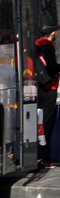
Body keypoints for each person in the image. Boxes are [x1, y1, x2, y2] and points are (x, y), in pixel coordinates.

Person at [36, 25, 60, 167]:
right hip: (49, 89)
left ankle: (40, 156)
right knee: (47, 124)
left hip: (38, 87)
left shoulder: (36, 45)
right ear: (52, 33)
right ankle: (46, 158)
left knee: (40, 122)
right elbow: (51, 67)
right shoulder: (48, 46)